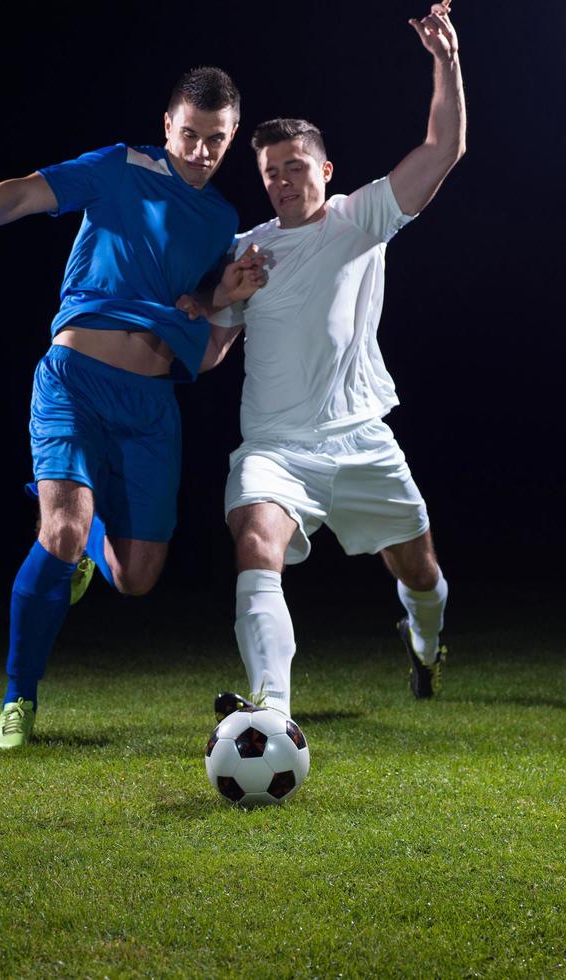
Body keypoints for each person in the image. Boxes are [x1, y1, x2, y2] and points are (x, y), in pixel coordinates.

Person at [0, 67, 264, 749]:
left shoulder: (223, 222)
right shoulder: (117, 167)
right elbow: (18, 195)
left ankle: (85, 544)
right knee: (57, 530)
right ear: (167, 126)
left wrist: (218, 302)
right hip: (75, 381)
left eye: (217, 141)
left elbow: (204, 346)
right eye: (190, 136)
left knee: (138, 579)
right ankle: (17, 701)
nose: (201, 152)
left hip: (152, 406)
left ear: (230, 139)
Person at [185, 5, 466, 719]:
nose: (282, 180)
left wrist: (444, 60)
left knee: (419, 571)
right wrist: (223, 295)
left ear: (325, 170)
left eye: (295, 167)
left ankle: (426, 644)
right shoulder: (247, 250)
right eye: (270, 171)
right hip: (275, 448)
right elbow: (212, 354)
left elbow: (441, 149)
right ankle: (270, 708)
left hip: (361, 440)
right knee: (254, 538)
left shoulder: (359, 218)